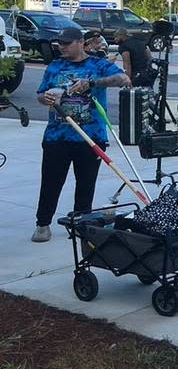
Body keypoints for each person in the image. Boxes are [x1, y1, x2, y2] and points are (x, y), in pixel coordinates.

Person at [32, 28, 129, 243]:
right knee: (51, 181)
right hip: (57, 136)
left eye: (67, 43)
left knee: (85, 183)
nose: (62, 47)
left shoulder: (97, 65)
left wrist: (92, 83)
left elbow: (123, 79)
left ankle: (81, 222)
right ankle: (43, 224)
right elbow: (39, 93)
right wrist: (44, 98)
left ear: (81, 42)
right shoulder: (55, 66)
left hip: (90, 136)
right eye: (60, 43)